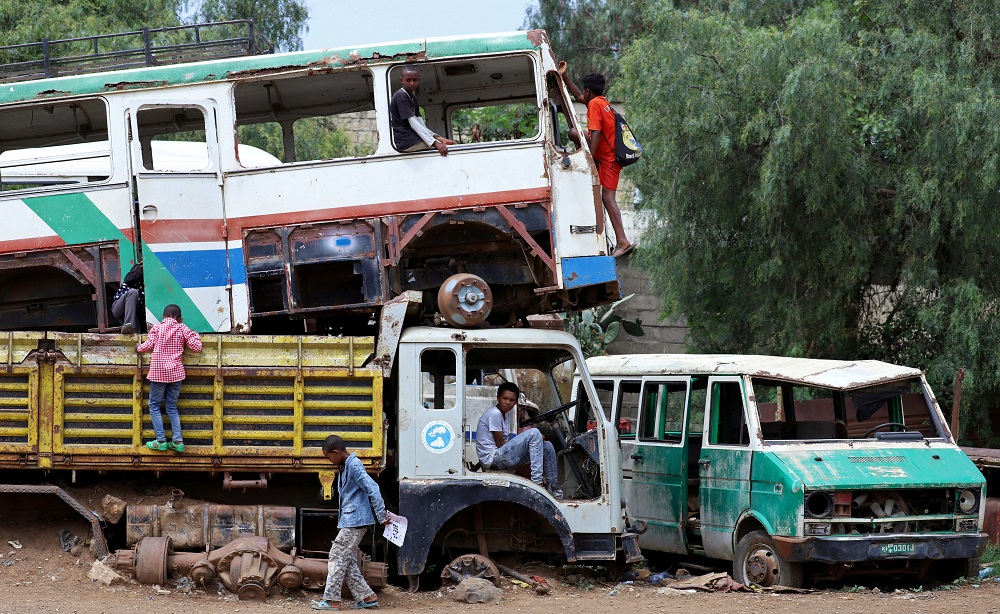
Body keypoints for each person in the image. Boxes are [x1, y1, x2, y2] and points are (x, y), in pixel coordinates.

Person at [559, 63, 634, 257]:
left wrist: (590, 158)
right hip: (608, 157)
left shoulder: (594, 105)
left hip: (609, 160)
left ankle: (623, 241)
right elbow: (578, 97)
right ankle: (618, 239)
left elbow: (597, 132)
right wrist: (565, 77)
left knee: (608, 198)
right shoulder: (602, 102)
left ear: (588, 90)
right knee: (575, 133)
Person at [311, 434, 392, 611]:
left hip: (355, 520)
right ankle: (367, 597)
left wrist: (381, 515)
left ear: (336, 452)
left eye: (328, 456)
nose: (329, 460)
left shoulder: (354, 465)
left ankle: (332, 600)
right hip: (352, 519)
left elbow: (373, 488)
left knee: (336, 557)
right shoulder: (346, 466)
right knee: (345, 560)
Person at [476, 382, 563, 498]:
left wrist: (534, 441)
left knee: (547, 447)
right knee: (534, 433)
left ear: (516, 402)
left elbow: (506, 445)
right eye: (504, 398)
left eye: (511, 400)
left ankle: (555, 490)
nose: (507, 402)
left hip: (500, 456)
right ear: (498, 398)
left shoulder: (505, 415)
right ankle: (537, 483)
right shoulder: (495, 414)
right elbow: (500, 445)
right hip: (493, 459)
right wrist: (531, 438)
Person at [136, 304, 202, 453]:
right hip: (176, 373)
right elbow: (197, 347)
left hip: (158, 373)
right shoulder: (183, 328)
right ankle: (178, 442)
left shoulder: (157, 328)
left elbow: (147, 345)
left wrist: (137, 348)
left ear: (163, 316)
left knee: (154, 406)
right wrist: (195, 334)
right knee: (171, 407)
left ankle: (161, 441)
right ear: (180, 319)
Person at [389, 65, 456, 156]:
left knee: (446, 144)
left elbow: (421, 124)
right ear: (402, 80)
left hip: (414, 139)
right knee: (445, 148)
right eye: (408, 80)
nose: (412, 83)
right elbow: (414, 123)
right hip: (407, 142)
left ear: (419, 80)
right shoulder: (400, 96)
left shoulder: (413, 98)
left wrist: (439, 138)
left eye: (415, 80)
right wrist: (436, 143)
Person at [112, 263, 144, 334]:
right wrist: (140, 268)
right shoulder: (133, 277)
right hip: (118, 308)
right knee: (133, 292)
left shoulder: (147, 288)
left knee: (137, 333)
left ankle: (130, 329)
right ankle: (128, 326)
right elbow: (128, 279)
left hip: (131, 313)